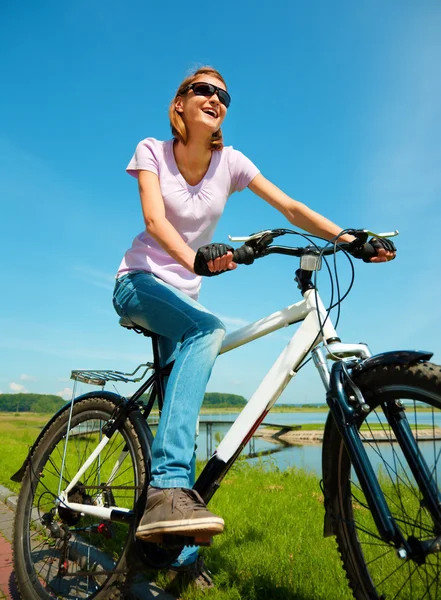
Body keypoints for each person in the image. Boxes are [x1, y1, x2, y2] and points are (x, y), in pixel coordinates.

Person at [113, 66, 395, 588]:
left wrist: (351, 238)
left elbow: (289, 206)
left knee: (183, 403)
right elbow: (155, 221)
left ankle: (171, 547)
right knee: (209, 330)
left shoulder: (232, 162)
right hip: (140, 283)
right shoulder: (152, 149)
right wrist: (195, 260)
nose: (216, 98)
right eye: (204, 89)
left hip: (183, 297)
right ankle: (166, 490)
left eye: (224, 94)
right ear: (180, 102)